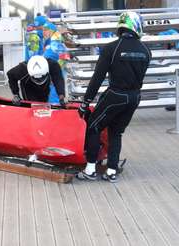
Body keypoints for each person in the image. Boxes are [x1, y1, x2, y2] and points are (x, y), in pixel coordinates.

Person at [76, 11, 151, 182]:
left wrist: (85, 102)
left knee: (94, 126)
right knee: (116, 132)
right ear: (137, 26)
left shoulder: (112, 48)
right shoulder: (146, 50)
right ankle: (111, 171)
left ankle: (90, 170)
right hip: (134, 97)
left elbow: (97, 78)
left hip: (116, 94)